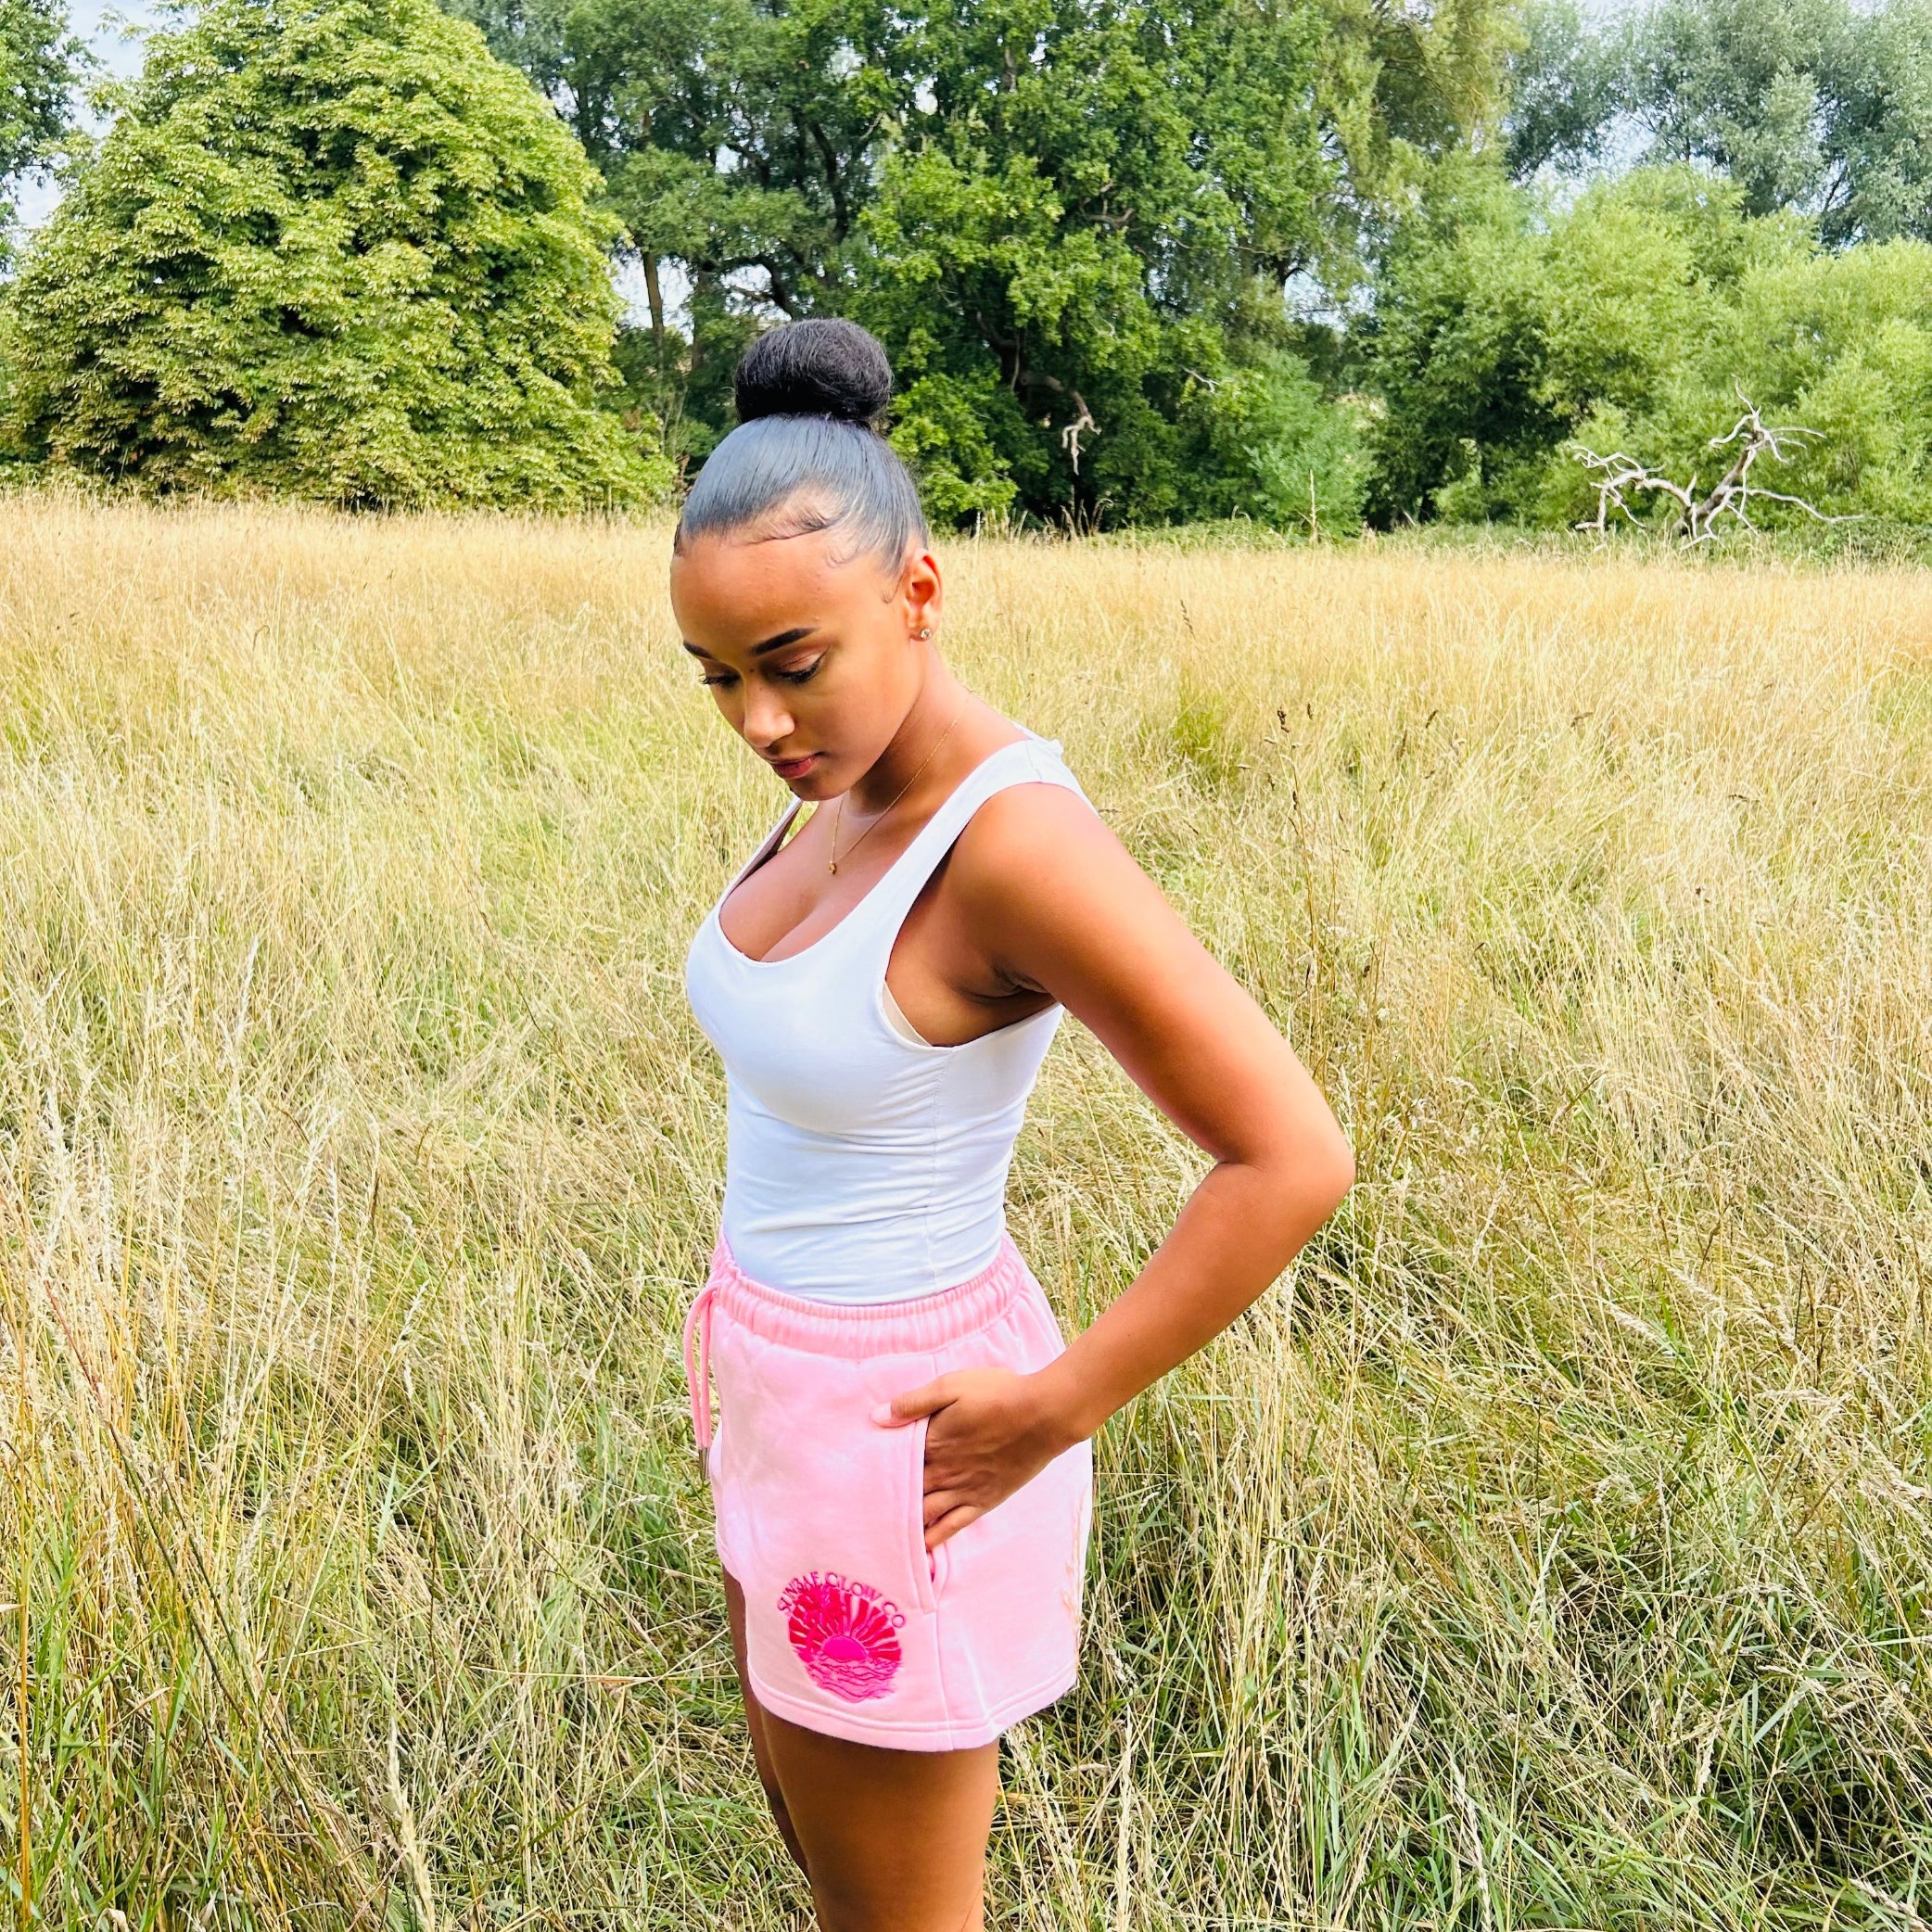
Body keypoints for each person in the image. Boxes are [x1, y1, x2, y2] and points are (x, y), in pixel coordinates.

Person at [675, 318, 1354, 1931]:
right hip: (771, 1380)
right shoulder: (840, 782)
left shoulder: (1013, 842)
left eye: (792, 663)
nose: (761, 722)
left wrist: (1059, 1405)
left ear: (917, 594)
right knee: (808, 1817)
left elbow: (1291, 1155)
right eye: (718, 677)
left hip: (903, 1423)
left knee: (893, 1910)